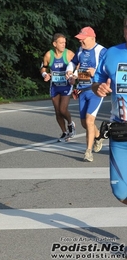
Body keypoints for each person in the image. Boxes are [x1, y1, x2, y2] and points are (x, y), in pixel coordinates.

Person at [92, 16, 127, 205]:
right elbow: (96, 81)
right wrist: (98, 88)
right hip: (121, 133)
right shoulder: (112, 53)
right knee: (120, 191)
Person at [66, 26, 107, 162]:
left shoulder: (102, 51)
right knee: (85, 123)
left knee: (90, 121)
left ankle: (88, 152)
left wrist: (97, 72)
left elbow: (109, 69)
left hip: (95, 90)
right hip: (82, 90)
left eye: (83, 39)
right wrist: (70, 73)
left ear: (92, 38)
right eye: (80, 40)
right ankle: (99, 136)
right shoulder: (80, 51)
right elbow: (73, 63)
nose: (81, 42)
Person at [40, 33, 76, 142]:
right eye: (61, 43)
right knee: (57, 111)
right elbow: (43, 67)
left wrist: (74, 76)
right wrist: (45, 75)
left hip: (66, 85)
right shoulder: (48, 55)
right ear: (54, 44)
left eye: (64, 42)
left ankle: (70, 124)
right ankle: (64, 132)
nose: (63, 45)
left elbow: (78, 66)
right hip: (54, 86)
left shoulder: (69, 54)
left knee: (62, 109)